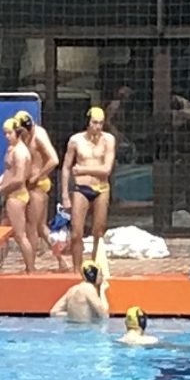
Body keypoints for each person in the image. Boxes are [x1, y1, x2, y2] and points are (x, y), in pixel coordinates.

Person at [60, 106, 116, 273]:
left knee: (98, 232)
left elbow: (106, 169)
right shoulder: (76, 140)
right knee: (76, 232)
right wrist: (65, 194)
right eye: (94, 123)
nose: (97, 127)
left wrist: (83, 170)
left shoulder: (108, 140)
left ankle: (94, 268)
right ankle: (77, 270)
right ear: (88, 122)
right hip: (81, 188)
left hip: (101, 188)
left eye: (101, 123)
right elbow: (66, 167)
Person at [14, 110, 68, 271]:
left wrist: (37, 176)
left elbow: (54, 160)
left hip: (37, 184)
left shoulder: (39, 135)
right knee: (41, 228)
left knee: (32, 227)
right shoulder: (23, 134)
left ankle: (30, 266)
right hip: (31, 184)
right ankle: (62, 260)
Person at [0, 117, 35, 274]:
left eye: (9, 133)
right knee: (2, 233)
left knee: (20, 236)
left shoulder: (20, 152)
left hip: (17, 196)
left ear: (17, 132)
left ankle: (31, 270)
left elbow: (19, 179)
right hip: (11, 195)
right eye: (5, 133)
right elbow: (8, 172)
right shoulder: (12, 148)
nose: (6, 136)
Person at [49, 259, 109, 323]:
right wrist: (102, 290)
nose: (102, 277)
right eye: (101, 274)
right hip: (86, 328)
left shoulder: (72, 289)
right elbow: (104, 314)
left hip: (71, 327)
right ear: (94, 276)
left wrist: (72, 316)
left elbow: (53, 312)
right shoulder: (89, 288)